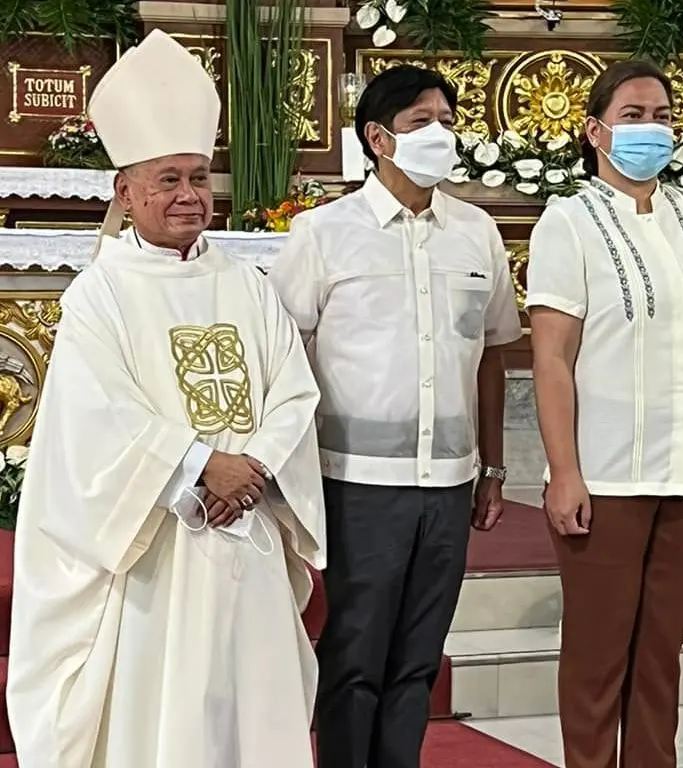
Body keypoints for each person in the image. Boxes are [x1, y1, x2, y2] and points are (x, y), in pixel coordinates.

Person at [6, 30, 326, 767]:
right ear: (126, 192)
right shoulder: (101, 293)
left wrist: (252, 469)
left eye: (199, 177)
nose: (188, 195)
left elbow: (292, 388)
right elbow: (98, 415)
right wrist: (202, 467)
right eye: (168, 179)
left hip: (246, 528)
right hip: (157, 544)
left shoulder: (247, 284)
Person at [270, 64, 522, 768]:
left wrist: (493, 468)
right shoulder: (324, 233)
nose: (440, 134)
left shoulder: (476, 231)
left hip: (448, 481)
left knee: (418, 656)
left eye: (447, 121)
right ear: (378, 138)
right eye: (421, 123)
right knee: (355, 653)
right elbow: (282, 354)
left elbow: (493, 353)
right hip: (357, 480)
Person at [526, 59, 683, 768]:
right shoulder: (568, 222)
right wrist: (564, 471)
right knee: (598, 657)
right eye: (632, 116)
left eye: (662, 116)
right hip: (608, 475)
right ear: (596, 131)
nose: (651, 128)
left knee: (661, 655)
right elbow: (552, 359)